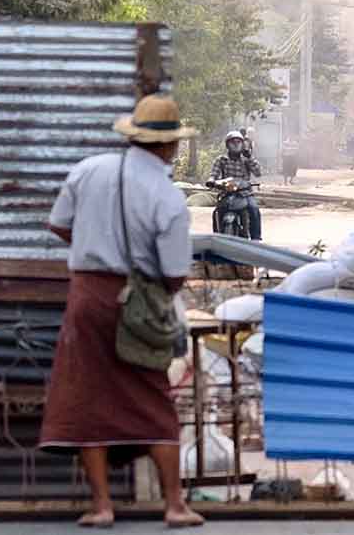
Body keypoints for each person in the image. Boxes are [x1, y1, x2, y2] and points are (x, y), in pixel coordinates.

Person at [39, 94, 205, 529]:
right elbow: (173, 274)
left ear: (133, 136)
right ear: (169, 147)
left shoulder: (88, 170)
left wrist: (95, 248)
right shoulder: (166, 196)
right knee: (152, 397)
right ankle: (174, 505)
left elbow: (59, 225)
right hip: (140, 305)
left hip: (86, 298)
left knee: (87, 398)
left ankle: (102, 507)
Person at [210, 130, 262, 240]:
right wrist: (211, 180)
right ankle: (216, 236)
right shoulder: (221, 160)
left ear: (242, 145)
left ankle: (256, 239)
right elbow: (214, 173)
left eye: (238, 142)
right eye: (233, 142)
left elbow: (258, 173)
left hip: (245, 193)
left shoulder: (246, 160)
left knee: (254, 209)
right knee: (217, 211)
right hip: (226, 192)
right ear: (227, 145)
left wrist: (250, 157)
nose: (236, 144)